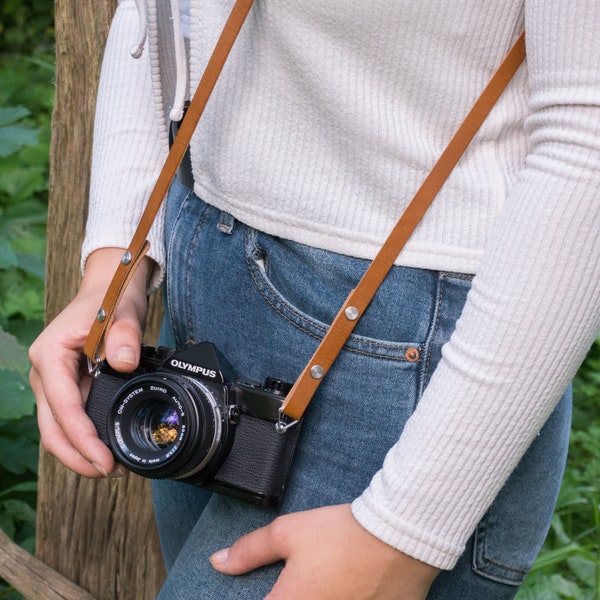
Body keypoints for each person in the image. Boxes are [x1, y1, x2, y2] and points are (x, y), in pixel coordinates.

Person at [29, 0, 600, 598]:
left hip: (401, 354)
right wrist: (113, 275)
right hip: (205, 280)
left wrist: (407, 531)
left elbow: (587, 135)